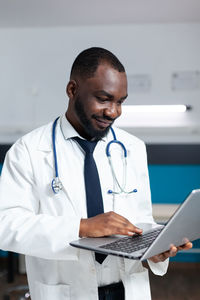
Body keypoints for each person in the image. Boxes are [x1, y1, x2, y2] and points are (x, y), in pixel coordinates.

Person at [0, 47, 192, 300]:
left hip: (128, 287)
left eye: (120, 102)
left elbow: (141, 219)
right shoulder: (29, 150)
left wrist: (153, 248)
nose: (113, 112)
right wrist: (81, 227)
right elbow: (6, 224)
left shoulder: (132, 148)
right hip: (66, 291)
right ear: (72, 90)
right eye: (103, 99)